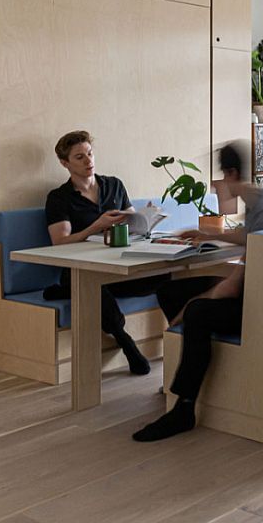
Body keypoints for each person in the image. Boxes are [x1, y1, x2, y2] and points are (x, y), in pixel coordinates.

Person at [132, 141, 263, 442]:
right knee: (170, 291)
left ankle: (184, 408)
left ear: (230, 174)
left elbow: (232, 287)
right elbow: (248, 237)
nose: (217, 184)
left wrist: (191, 305)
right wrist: (208, 232)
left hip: (262, 305)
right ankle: (179, 367)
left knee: (195, 310)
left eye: (219, 177)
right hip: (259, 293)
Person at [44, 130, 165, 375]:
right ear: (64, 163)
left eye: (89, 154)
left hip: (118, 265)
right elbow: (60, 242)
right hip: (81, 268)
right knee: (93, 286)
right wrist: (95, 227)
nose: (88, 161)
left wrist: (146, 217)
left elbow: (134, 224)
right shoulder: (59, 198)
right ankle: (126, 342)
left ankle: (176, 342)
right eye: (79, 157)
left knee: (166, 278)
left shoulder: (114, 185)